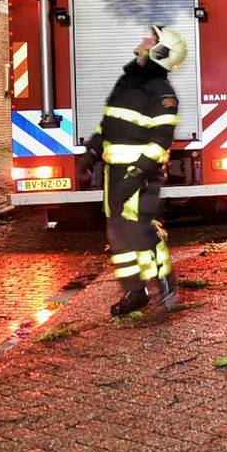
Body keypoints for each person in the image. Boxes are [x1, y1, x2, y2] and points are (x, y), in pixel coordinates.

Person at [83, 25, 187, 317]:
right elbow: (110, 122)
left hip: (140, 175)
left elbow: (160, 140)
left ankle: (165, 280)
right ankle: (135, 291)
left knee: (140, 230)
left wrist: (137, 174)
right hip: (113, 172)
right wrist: (92, 149)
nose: (143, 41)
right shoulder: (127, 83)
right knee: (117, 232)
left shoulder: (162, 92)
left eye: (150, 39)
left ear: (160, 51)